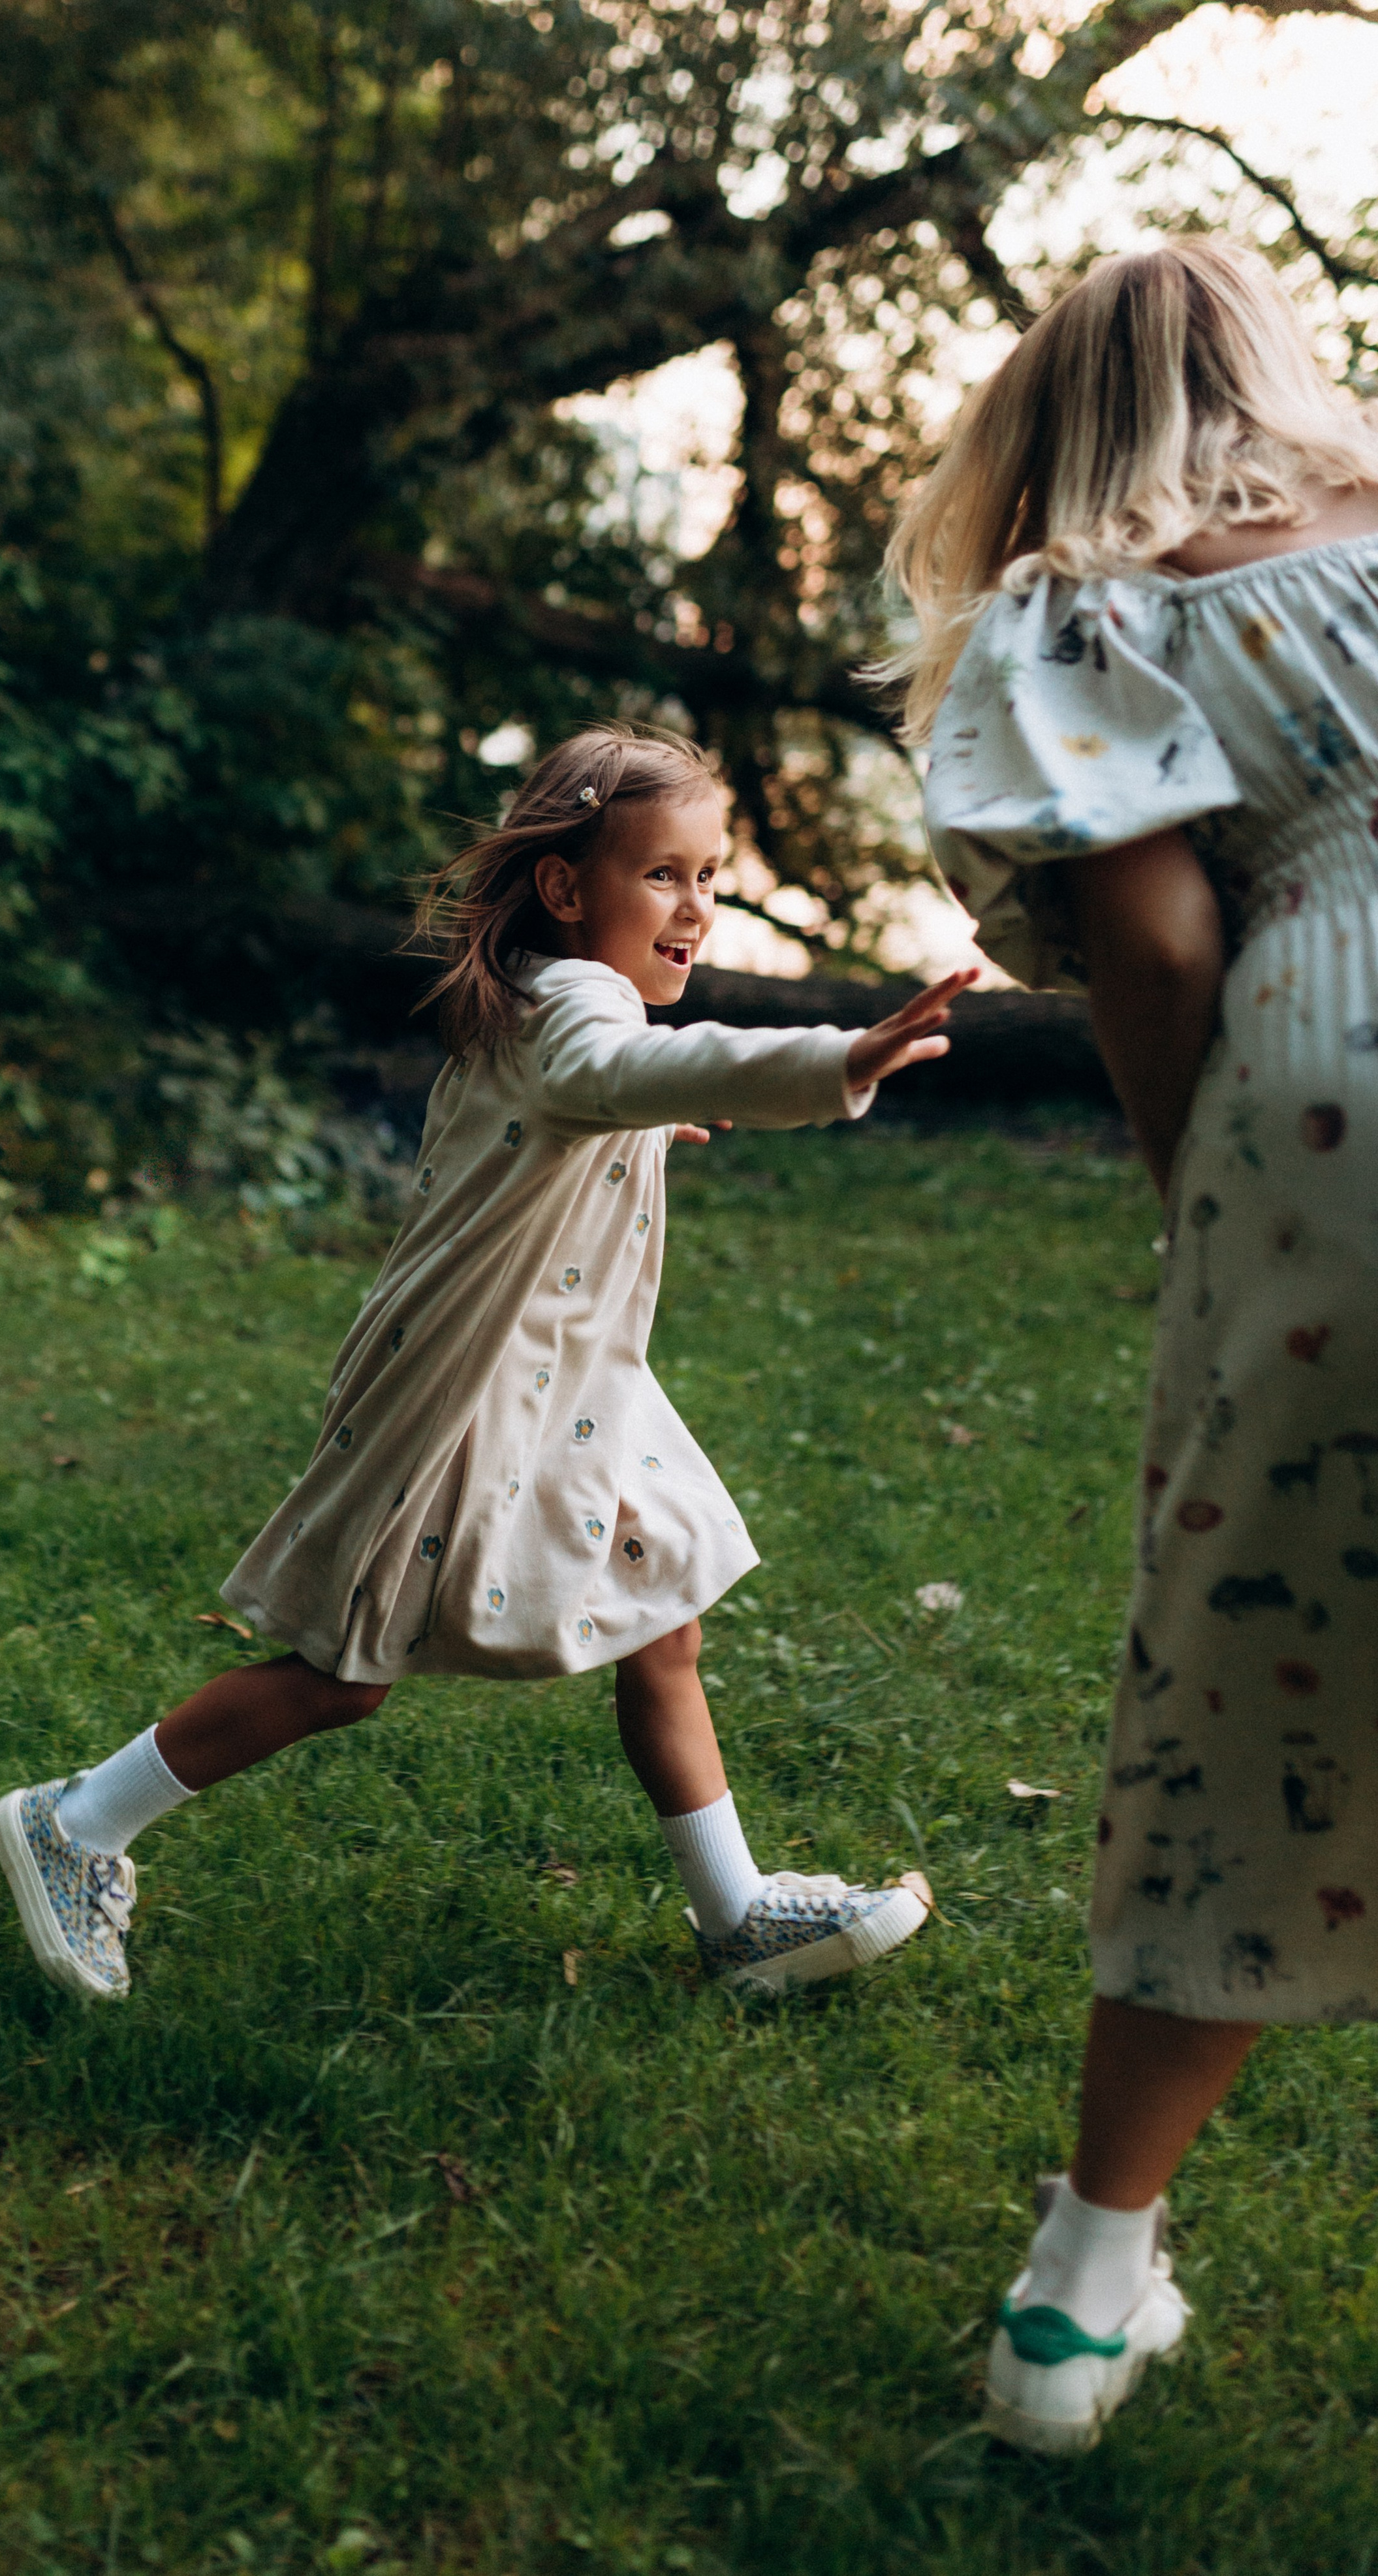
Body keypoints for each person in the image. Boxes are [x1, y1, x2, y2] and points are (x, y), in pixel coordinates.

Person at [0, 725, 969, 2005]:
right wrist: (827, 1060)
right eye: (663, 874)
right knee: (346, 1675)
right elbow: (612, 1065)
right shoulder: (573, 1006)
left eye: (711, 875)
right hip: (470, 1401)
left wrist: (637, 1128)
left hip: (571, 1395)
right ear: (566, 888)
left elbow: (584, 1100)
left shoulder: (535, 1000)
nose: (696, 907)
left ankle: (734, 1914)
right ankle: (76, 1822)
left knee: (661, 1621)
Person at [891, 235, 1378, 2453]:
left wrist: (1207, 1194)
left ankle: (1080, 2293)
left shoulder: (1087, 613)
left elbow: (1164, 946)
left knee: (1259, 1663)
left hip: (1331, 1074)